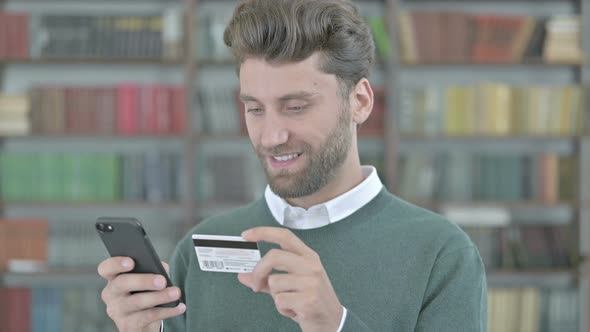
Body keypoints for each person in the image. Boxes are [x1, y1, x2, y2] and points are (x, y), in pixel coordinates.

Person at [98, 0, 488, 331]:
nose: (271, 136)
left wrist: (335, 323)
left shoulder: (442, 254)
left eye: (296, 107)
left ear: (360, 101)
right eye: (255, 109)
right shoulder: (200, 249)